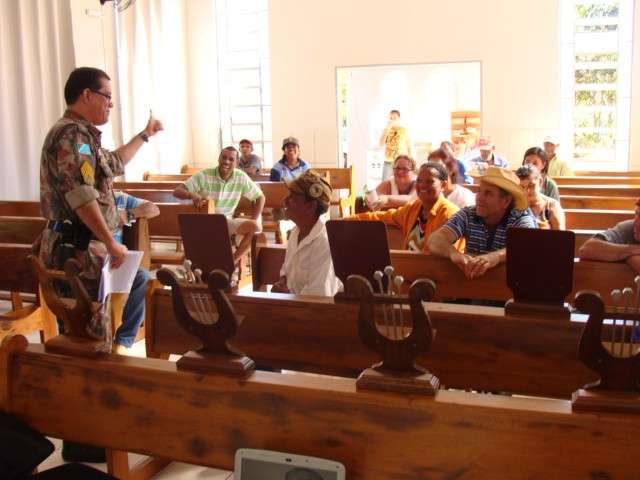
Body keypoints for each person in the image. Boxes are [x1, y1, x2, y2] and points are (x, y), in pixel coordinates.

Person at [39, 66, 163, 462]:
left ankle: (87, 426)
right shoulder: (72, 137)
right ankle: (84, 435)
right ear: (86, 95)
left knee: (106, 322)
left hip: (86, 250)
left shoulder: (85, 139)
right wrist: (111, 242)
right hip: (80, 252)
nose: (111, 103)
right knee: (87, 341)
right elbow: (80, 196)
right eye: (106, 95)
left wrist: (144, 136)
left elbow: (113, 164)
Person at [428, 166, 537, 279]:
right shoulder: (468, 214)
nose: (479, 197)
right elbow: (435, 240)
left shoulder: (521, 217)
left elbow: (529, 245)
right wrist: (453, 253)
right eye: (479, 191)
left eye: (488, 193)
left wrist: (496, 257)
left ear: (506, 201)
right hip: (470, 288)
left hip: (508, 292)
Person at [173, 146, 265, 264]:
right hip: (203, 222)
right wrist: (192, 195)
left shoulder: (240, 177)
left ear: (237, 163)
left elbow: (260, 197)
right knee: (201, 257)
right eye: (224, 157)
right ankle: (196, 268)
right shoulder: (204, 175)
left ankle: (232, 262)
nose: (226, 161)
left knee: (255, 227)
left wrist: (254, 219)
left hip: (225, 222)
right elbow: (177, 191)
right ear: (219, 159)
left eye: (231, 159)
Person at [350, 162, 463, 253]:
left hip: (436, 278)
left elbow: (450, 258)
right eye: (419, 181)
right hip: (409, 273)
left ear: (443, 185)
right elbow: (383, 216)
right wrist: (349, 220)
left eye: (430, 182)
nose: (423, 185)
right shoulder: (413, 208)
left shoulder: (451, 215)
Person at [271, 170, 342, 296]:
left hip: (316, 312)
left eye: (292, 197)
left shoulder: (326, 241)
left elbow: (320, 295)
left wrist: (289, 297)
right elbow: (288, 270)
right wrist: (283, 281)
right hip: (295, 306)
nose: (285, 200)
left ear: (311, 207)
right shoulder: (296, 232)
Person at [578, 197, 640, 272]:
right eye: (637, 213)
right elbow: (586, 249)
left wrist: (628, 256)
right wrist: (632, 251)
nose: (637, 223)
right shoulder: (629, 227)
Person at [515, 164, 565, 230]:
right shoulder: (514, 205)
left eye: (531, 186)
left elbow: (560, 236)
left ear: (540, 182)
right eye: (522, 187)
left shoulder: (551, 206)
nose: (527, 191)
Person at [379, 109, 413, 180]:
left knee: (401, 181)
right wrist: (387, 129)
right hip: (388, 161)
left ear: (399, 119)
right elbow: (381, 144)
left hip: (401, 161)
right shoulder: (386, 130)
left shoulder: (404, 131)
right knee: (385, 181)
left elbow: (409, 146)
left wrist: (411, 160)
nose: (392, 120)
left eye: (394, 118)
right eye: (391, 118)